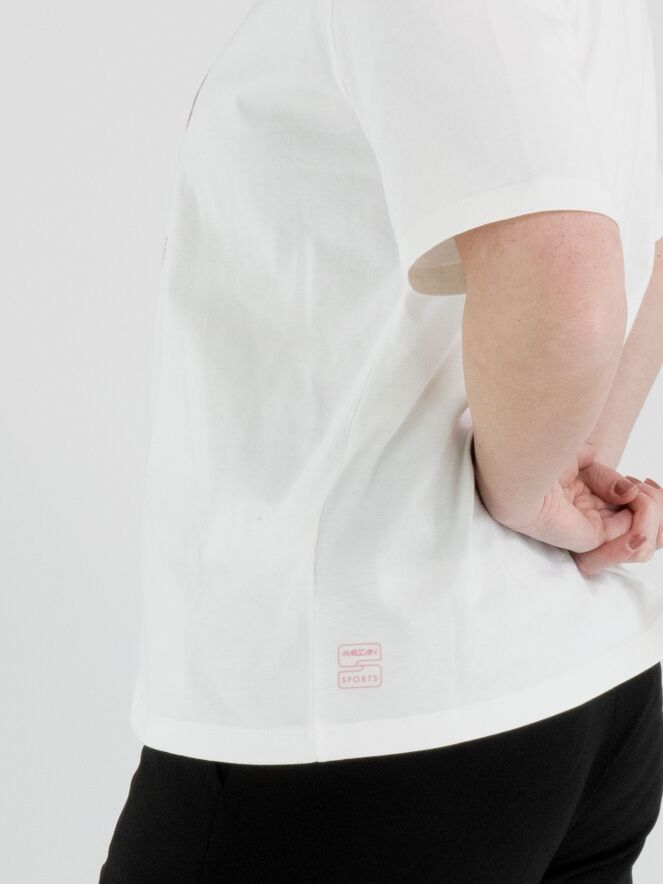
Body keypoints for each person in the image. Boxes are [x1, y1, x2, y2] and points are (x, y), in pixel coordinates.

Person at [100, 1, 663, 880]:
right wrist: (576, 466)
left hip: (361, 709)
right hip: (576, 690)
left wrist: (533, 489)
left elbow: (566, 283)